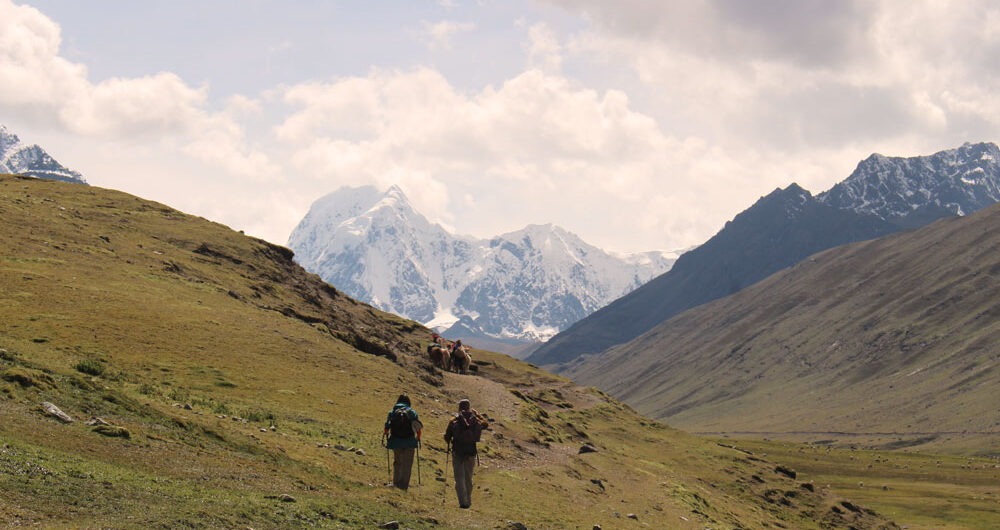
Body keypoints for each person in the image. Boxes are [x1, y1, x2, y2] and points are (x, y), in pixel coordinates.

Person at [443, 398, 488, 508]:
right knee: (468, 477)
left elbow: (447, 437)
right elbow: (485, 424)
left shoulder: (454, 419)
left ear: (459, 408)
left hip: (457, 452)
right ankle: (468, 499)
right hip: (471, 452)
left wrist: (450, 438)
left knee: (459, 477)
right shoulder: (475, 420)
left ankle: (462, 502)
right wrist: (478, 415)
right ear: (469, 407)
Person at [383, 394, 422, 490]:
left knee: (398, 463)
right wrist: (417, 439)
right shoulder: (412, 412)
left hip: (396, 441)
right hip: (409, 442)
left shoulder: (392, 412)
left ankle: (396, 484)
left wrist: (386, 435)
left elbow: (386, 428)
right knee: (407, 465)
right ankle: (403, 487)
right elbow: (418, 429)